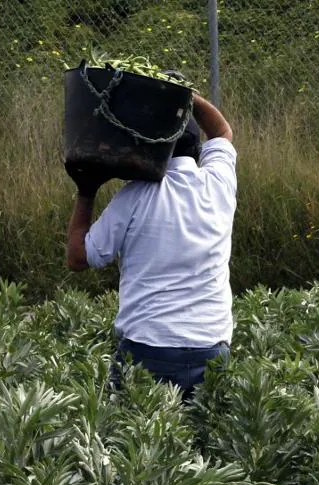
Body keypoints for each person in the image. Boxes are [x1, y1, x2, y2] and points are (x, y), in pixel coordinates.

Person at [65, 85, 236, 401]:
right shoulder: (219, 184)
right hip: (211, 349)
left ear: (151, 148)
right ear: (197, 149)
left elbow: (78, 258)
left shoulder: (134, 196)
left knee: (135, 443)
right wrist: (187, 97)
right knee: (206, 442)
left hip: (148, 350)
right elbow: (222, 131)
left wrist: (86, 191)